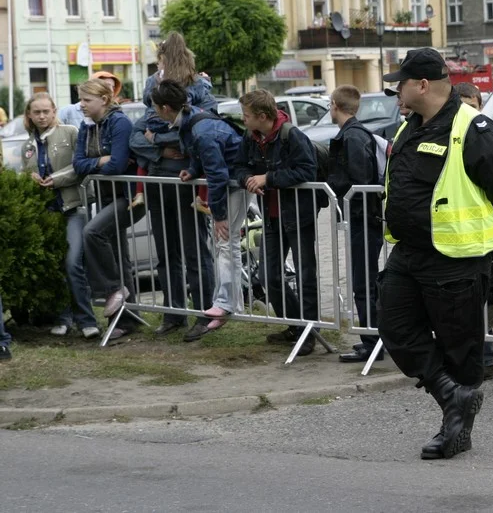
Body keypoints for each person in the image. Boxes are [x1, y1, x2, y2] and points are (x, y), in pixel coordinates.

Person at [378, 48, 493, 460]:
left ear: (422, 85)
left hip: (454, 256)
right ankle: (452, 395)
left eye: (400, 84)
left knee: (461, 348)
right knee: (395, 329)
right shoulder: (411, 127)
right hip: (408, 252)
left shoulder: (472, 127)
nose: (396, 92)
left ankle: (456, 430)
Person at [131, 33, 217, 341]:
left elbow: (206, 127)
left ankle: (207, 314)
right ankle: (174, 313)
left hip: (188, 181)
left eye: (161, 60)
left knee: (196, 251)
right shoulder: (153, 87)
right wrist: (160, 150)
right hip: (158, 179)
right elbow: (136, 136)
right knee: (166, 253)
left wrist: (167, 141)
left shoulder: (200, 87)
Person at [149, 80, 248, 340]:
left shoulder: (202, 130)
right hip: (230, 183)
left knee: (226, 243)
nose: (154, 113)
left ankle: (225, 305)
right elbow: (199, 156)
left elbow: (217, 174)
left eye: (156, 108)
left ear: (166, 108)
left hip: (234, 185)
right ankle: (230, 303)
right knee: (228, 244)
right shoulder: (190, 120)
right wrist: (192, 170)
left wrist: (219, 216)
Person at [233, 90, 321, 355]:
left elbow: (307, 170)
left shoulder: (291, 135)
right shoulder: (251, 137)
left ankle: (309, 332)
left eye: (246, 115)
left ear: (262, 116)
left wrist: (268, 178)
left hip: (297, 214)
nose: (243, 120)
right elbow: (238, 167)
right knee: (267, 276)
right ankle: (295, 325)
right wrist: (248, 179)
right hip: (271, 216)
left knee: (305, 275)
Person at [21, 94, 98, 339]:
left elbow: (81, 166)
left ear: (54, 111)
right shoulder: (28, 145)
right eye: (37, 112)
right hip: (46, 212)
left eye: (46, 111)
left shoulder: (71, 132)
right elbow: (27, 172)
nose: (42, 116)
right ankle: (63, 318)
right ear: (30, 115)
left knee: (73, 263)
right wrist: (28, 179)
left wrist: (56, 179)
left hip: (73, 207)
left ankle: (86, 320)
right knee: (55, 266)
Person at [73, 79, 144, 342]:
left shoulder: (119, 122)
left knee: (92, 233)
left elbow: (117, 165)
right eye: (80, 99)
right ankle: (127, 318)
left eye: (86, 100)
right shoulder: (87, 125)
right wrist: (100, 161)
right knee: (118, 254)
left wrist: (99, 163)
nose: (81, 105)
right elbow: (77, 163)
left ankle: (114, 290)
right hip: (104, 197)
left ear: (104, 100)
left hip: (128, 198)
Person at [326, 85, 384, 364]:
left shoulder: (353, 137)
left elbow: (358, 181)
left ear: (335, 105)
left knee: (363, 283)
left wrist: (337, 189)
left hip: (362, 218)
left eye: (329, 104)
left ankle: (372, 341)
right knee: (363, 281)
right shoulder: (354, 134)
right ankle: (371, 339)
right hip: (361, 218)